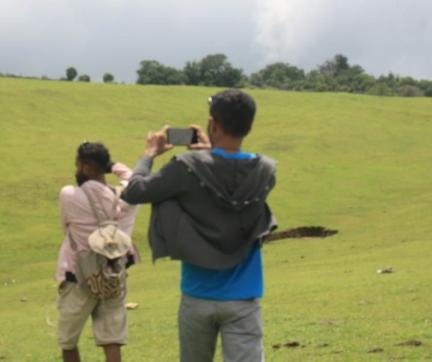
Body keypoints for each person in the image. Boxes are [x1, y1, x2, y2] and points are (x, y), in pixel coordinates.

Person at [121, 89, 277, 362]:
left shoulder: (186, 167)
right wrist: (211, 152)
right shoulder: (265, 171)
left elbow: (135, 192)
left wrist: (148, 154)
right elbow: (228, 179)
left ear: (213, 123)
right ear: (249, 127)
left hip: (198, 294)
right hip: (244, 297)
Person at [55, 141, 141, 362]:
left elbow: (65, 226)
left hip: (78, 278)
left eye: (78, 165)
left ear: (85, 168)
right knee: (111, 341)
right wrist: (112, 166)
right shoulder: (126, 199)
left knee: (68, 341)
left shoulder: (69, 195)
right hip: (113, 277)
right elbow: (134, 179)